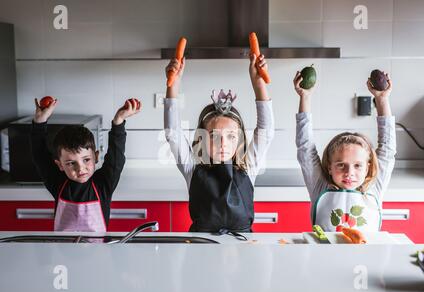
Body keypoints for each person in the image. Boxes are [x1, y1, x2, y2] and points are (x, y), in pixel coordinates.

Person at [164, 54, 274, 233]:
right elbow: (173, 133)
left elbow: (266, 131)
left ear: (238, 140)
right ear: (202, 139)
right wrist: (173, 86)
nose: (223, 144)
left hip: (242, 250)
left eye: (231, 136)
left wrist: (259, 84)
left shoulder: (248, 167)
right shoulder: (192, 169)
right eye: (215, 136)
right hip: (202, 248)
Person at [294, 71, 395, 231]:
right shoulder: (320, 187)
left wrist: (382, 99)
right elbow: (305, 148)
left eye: (357, 165)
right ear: (329, 167)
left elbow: (387, 149)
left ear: (368, 167)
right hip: (324, 256)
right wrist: (304, 97)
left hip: (367, 256)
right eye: (341, 165)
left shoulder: (374, 187)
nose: (349, 173)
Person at [30, 98, 140, 232]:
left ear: (96, 157)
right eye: (71, 163)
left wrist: (118, 122)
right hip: (63, 250)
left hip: (98, 251)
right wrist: (39, 122)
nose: (80, 168)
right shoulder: (57, 182)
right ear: (60, 165)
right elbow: (39, 155)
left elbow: (116, 158)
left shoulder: (103, 184)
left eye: (86, 160)